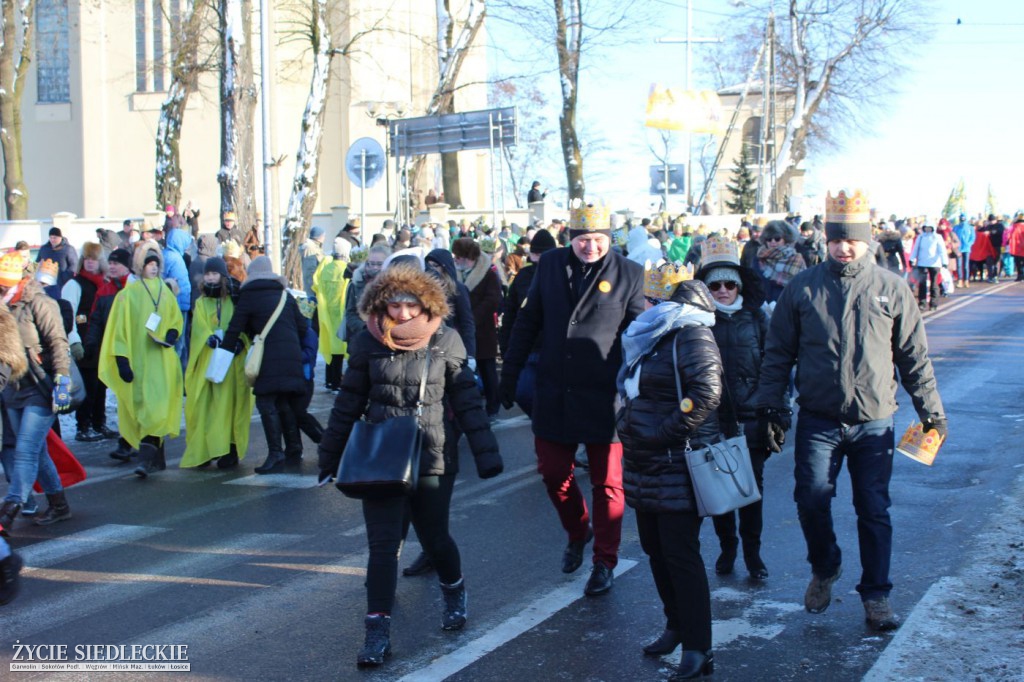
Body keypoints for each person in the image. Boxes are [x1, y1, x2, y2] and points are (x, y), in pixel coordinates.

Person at [755, 190, 947, 632]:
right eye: (837, 239)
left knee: (874, 509)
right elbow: (778, 354)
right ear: (826, 238)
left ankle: (876, 595)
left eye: (853, 240)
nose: (844, 247)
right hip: (820, 420)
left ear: (868, 241)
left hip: (874, 422)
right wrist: (771, 407)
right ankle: (825, 566)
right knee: (810, 500)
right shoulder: (803, 289)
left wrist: (931, 413)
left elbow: (914, 359)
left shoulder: (892, 289)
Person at [316, 263, 502, 668]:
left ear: (426, 303)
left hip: (433, 453)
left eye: (410, 304)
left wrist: (486, 453)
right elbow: (348, 401)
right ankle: (377, 632)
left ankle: (454, 590)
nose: (401, 313)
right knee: (384, 547)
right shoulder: (368, 341)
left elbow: (466, 398)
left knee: (435, 538)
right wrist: (329, 456)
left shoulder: (445, 340)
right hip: (382, 456)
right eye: (394, 304)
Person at [499, 202, 645, 597]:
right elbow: (527, 323)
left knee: (609, 485)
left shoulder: (630, 274)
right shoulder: (549, 266)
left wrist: (641, 389)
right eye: (583, 240)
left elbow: (638, 336)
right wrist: (507, 375)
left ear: (609, 240)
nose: (590, 247)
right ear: (571, 239)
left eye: (598, 240)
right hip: (556, 390)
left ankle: (604, 561)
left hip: (604, 397)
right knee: (552, 472)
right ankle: (578, 531)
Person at [616, 266, 721, 679]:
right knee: (654, 549)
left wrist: (663, 432)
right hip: (643, 461)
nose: (650, 307)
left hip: (677, 460)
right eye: (649, 300)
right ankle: (676, 625)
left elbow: (706, 394)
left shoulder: (691, 332)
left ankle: (700, 648)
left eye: (658, 301)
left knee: (681, 555)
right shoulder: (650, 334)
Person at [695, 237, 771, 580]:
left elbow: (774, 366)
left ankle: (753, 554)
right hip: (711, 420)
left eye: (729, 284)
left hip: (751, 417)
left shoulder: (756, 318)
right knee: (720, 489)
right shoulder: (695, 321)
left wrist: (774, 409)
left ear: (739, 285)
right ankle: (728, 548)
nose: (723, 290)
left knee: (751, 490)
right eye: (715, 284)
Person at [0, 252, 73, 533]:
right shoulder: (4, 308)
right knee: (37, 451)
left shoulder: (39, 303)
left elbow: (57, 341)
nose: (2, 293)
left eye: (5, 288)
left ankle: (13, 504)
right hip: (13, 388)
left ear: (19, 282)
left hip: (40, 386)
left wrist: (62, 380)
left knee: (26, 448)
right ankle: (59, 504)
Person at [98, 242, 184, 478]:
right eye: (149, 264)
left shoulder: (165, 292)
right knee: (142, 409)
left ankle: (147, 461)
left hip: (161, 361)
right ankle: (156, 458)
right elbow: (119, 330)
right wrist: (122, 360)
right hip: (139, 362)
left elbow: (175, 319)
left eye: (157, 264)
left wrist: (172, 333)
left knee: (155, 410)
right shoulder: (128, 295)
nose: (154, 268)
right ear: (140, 267)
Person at [221, 257, 308, 474]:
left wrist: (223, 354)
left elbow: (235, 327)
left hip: (268, 356)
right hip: (291, 355)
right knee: (284, 401)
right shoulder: (284, 295)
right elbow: (302, 326)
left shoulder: (249, 296)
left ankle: (276, 453)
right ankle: (294, 447)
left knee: (266, 402)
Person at [181, 258, 254, 469]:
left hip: (232, 362)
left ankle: (229, 448)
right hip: (209, 361)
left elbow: (243, 324)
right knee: (205, 405)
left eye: (215, 273)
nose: (211, 277)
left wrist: (241, 341)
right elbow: (199, 328)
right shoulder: (201, 302)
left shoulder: (234, 299)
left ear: (223, 275)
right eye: (208, 274)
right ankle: (204, 450)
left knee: (230, 405)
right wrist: (207, 337)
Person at [61, 242, 118, 442]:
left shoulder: (103, 283)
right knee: (88, 387)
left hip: (101, 342)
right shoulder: (74, 285)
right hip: (84, 344)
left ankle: (98, 422)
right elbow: (68, 316)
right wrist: (74, 341)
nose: (91, 263)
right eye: (88, 259)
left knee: (101, 386)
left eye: (94, 259)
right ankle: (83, 426)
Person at [497, 228, 557, 416]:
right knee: (523, 393)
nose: (539, 258)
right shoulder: (523, 277)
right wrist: (507, 349)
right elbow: (510, 315)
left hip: (555, 349)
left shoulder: (562, 275)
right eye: (536, 253)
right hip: (528, 349)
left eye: (543, 253)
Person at [85, 248, 136, 463]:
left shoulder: (135, 287)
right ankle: (128, 441)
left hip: (134, 351)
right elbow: (95, 319)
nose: (113, 266)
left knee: (134, 398)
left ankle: (139, 441)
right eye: (111, 263)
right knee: (123, 399)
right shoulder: (104, 289)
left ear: (127, 265)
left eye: (117, 263)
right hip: (113, 351)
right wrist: (91, 342)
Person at [452, 238, 502, 418]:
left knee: (487, 369)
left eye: (460, 257)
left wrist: (471, 319)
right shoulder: (455, 273)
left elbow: (493, 300)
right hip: (460, 330)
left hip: (483, 330)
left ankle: (493, 404)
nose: (457, 260)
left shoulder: (488, 274)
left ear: (470, 257)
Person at [312, 237, 351, 391]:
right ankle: (337, 382)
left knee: (331, 348)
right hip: (341, 313)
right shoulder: (346, 269)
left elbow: (316, 287)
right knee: (341, 349)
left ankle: (330, 380)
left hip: (326, 313)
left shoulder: (326, 269)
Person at [344, 245, 391, 345]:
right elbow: (350, 313)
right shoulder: (356, 283)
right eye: (371, 263)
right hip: (360, 338)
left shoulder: (393, 284)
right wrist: (365, 328)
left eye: (379, 264)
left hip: (385, 338)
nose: (374, 267)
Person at [756, 220, 806, 303]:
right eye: (769, 239)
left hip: (788, 306)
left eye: (777, 238)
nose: (773, 242)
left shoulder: (796, 259)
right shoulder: (759, 258)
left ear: (785, 239)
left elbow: (801, 287)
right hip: (762, 308)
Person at [908, 222, 948, 311]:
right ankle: (922, 302)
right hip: (922, 263)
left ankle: (933, 303)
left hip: (934, 263)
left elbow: (942, 250)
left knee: (934, 284)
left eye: (930, 228)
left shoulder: (937, 237)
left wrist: (944, 261)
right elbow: (915, 249)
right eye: (926, 228)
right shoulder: (921, 237)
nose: (928, 229)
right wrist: (912, 258)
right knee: (922, 284)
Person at [952, 213, 974, 287]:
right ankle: (960, 280)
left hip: (966, 249)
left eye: (964, 219)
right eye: (961, 219)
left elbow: (973, 238)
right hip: (958, 249)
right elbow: (952, 237)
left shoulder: (970, 228)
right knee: (958, 265)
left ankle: (966, 280)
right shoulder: (956, 228)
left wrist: (968, 244)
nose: (962, 220)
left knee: (966, 265)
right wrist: (955, 245)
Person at [1008, 214, 1024, 282]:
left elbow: (1008, 234)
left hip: (1016, 248)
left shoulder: (1013, 227)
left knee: (1018, 263)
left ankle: (1020, 276)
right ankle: (1021, 276)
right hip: (1021, 247)